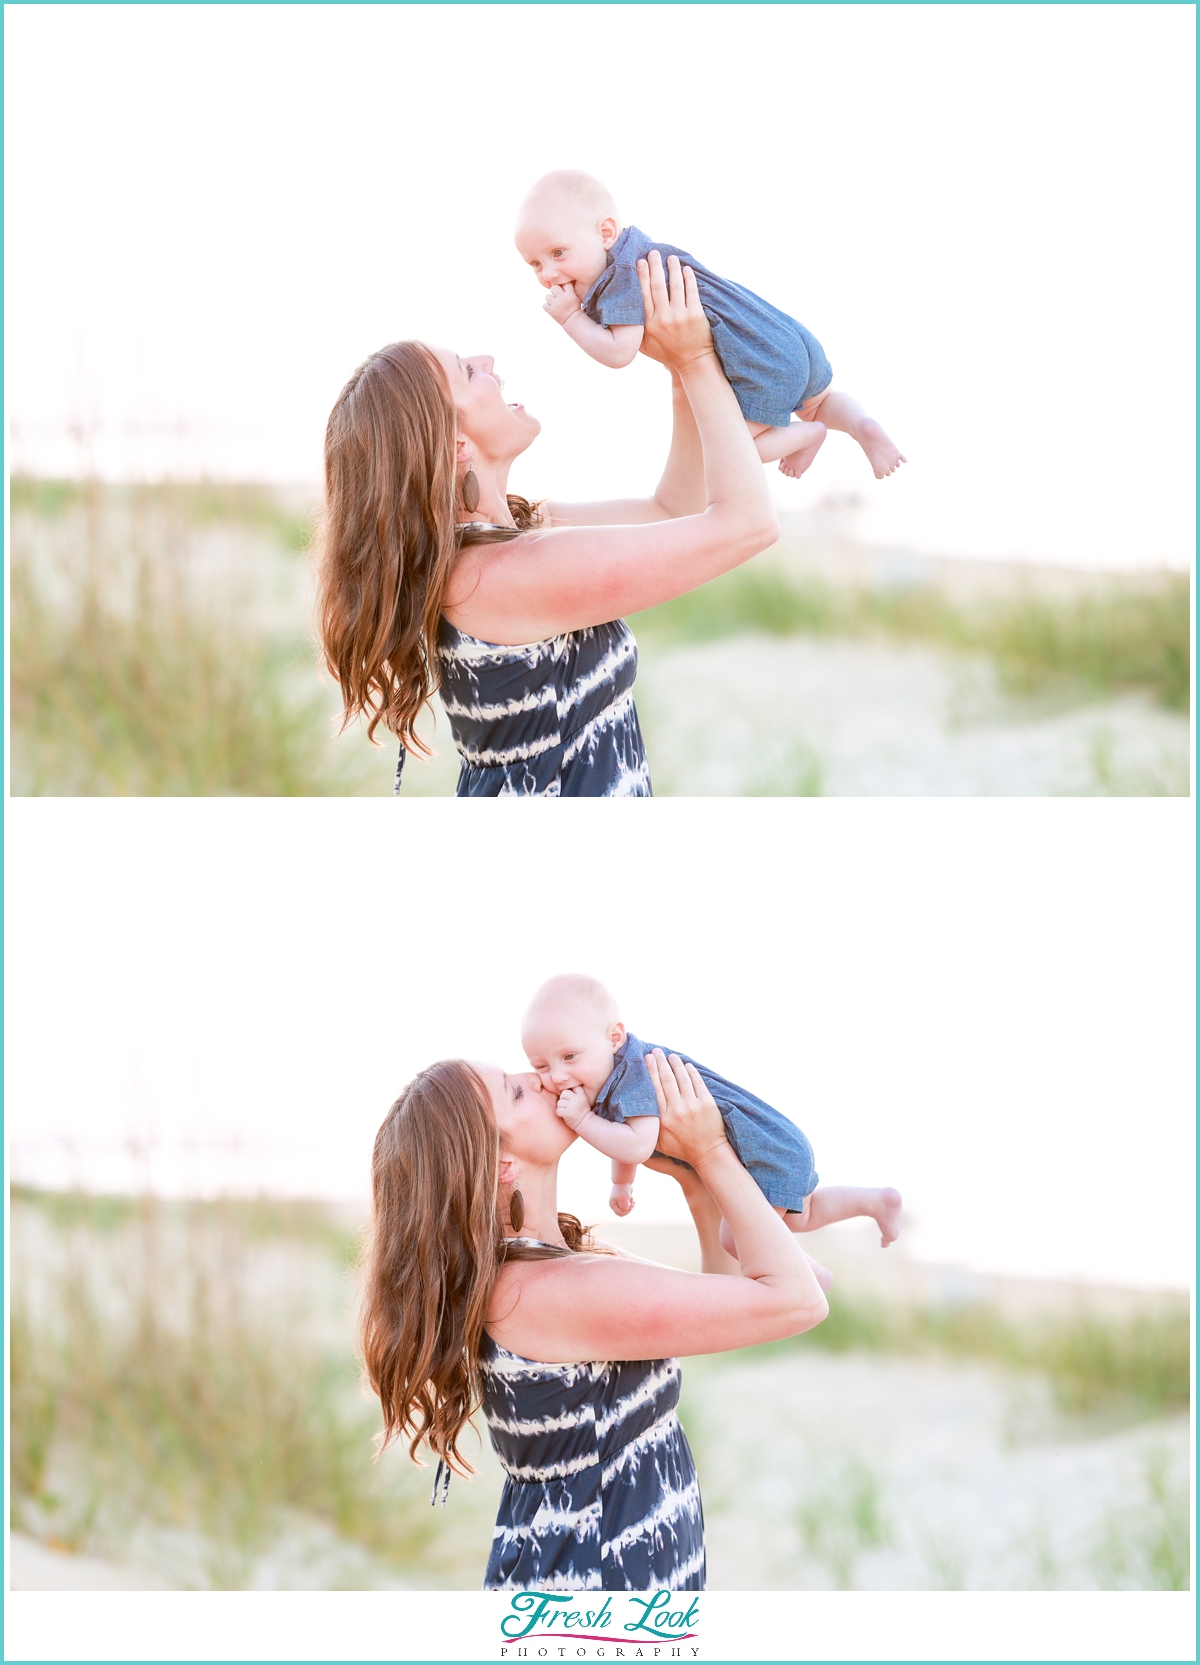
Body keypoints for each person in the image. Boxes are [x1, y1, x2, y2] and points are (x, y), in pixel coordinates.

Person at [358, 1047, 829, 1591]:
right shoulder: (543, 1292)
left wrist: (696, 1180)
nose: (538, 1080)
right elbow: (797, 1301)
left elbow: (740, 1298)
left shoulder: (553, 1265)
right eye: (514, 1091)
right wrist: (713, 1149)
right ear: (500, 1163)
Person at [316, 251, 779, 797]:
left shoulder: (509, 537)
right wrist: (700, 357)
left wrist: (680, 373)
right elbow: (747, 525)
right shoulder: (504, 574)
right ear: (456, 445)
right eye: (467, 371)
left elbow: (671, 512)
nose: (486, 359)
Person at [515, 169, 906, 481]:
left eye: (558, 252)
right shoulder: (645, 251)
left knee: (729, 456)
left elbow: (619, 352)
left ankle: (807, 435)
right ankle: (862, 425)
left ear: (605, 233)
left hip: (761, 363)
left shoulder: (620, 277)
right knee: (821, 402)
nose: (548, 274)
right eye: (535, 264)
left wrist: (570, 317)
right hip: (785, 336)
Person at [521, 973, 902, 1263]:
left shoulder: (635, 1071)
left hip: (765, 1152)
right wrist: (621, 1184)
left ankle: (803, 1274)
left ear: (615, 1037)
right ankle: (876, 1202)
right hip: (774, 1148)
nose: (556, 1076)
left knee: (738, 1240)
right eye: (540, 1065)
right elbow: (625, 1131)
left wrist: (583, 1120)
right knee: (803, 1215)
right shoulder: (613, 1079)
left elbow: (636, 1143)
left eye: (569, 1057)